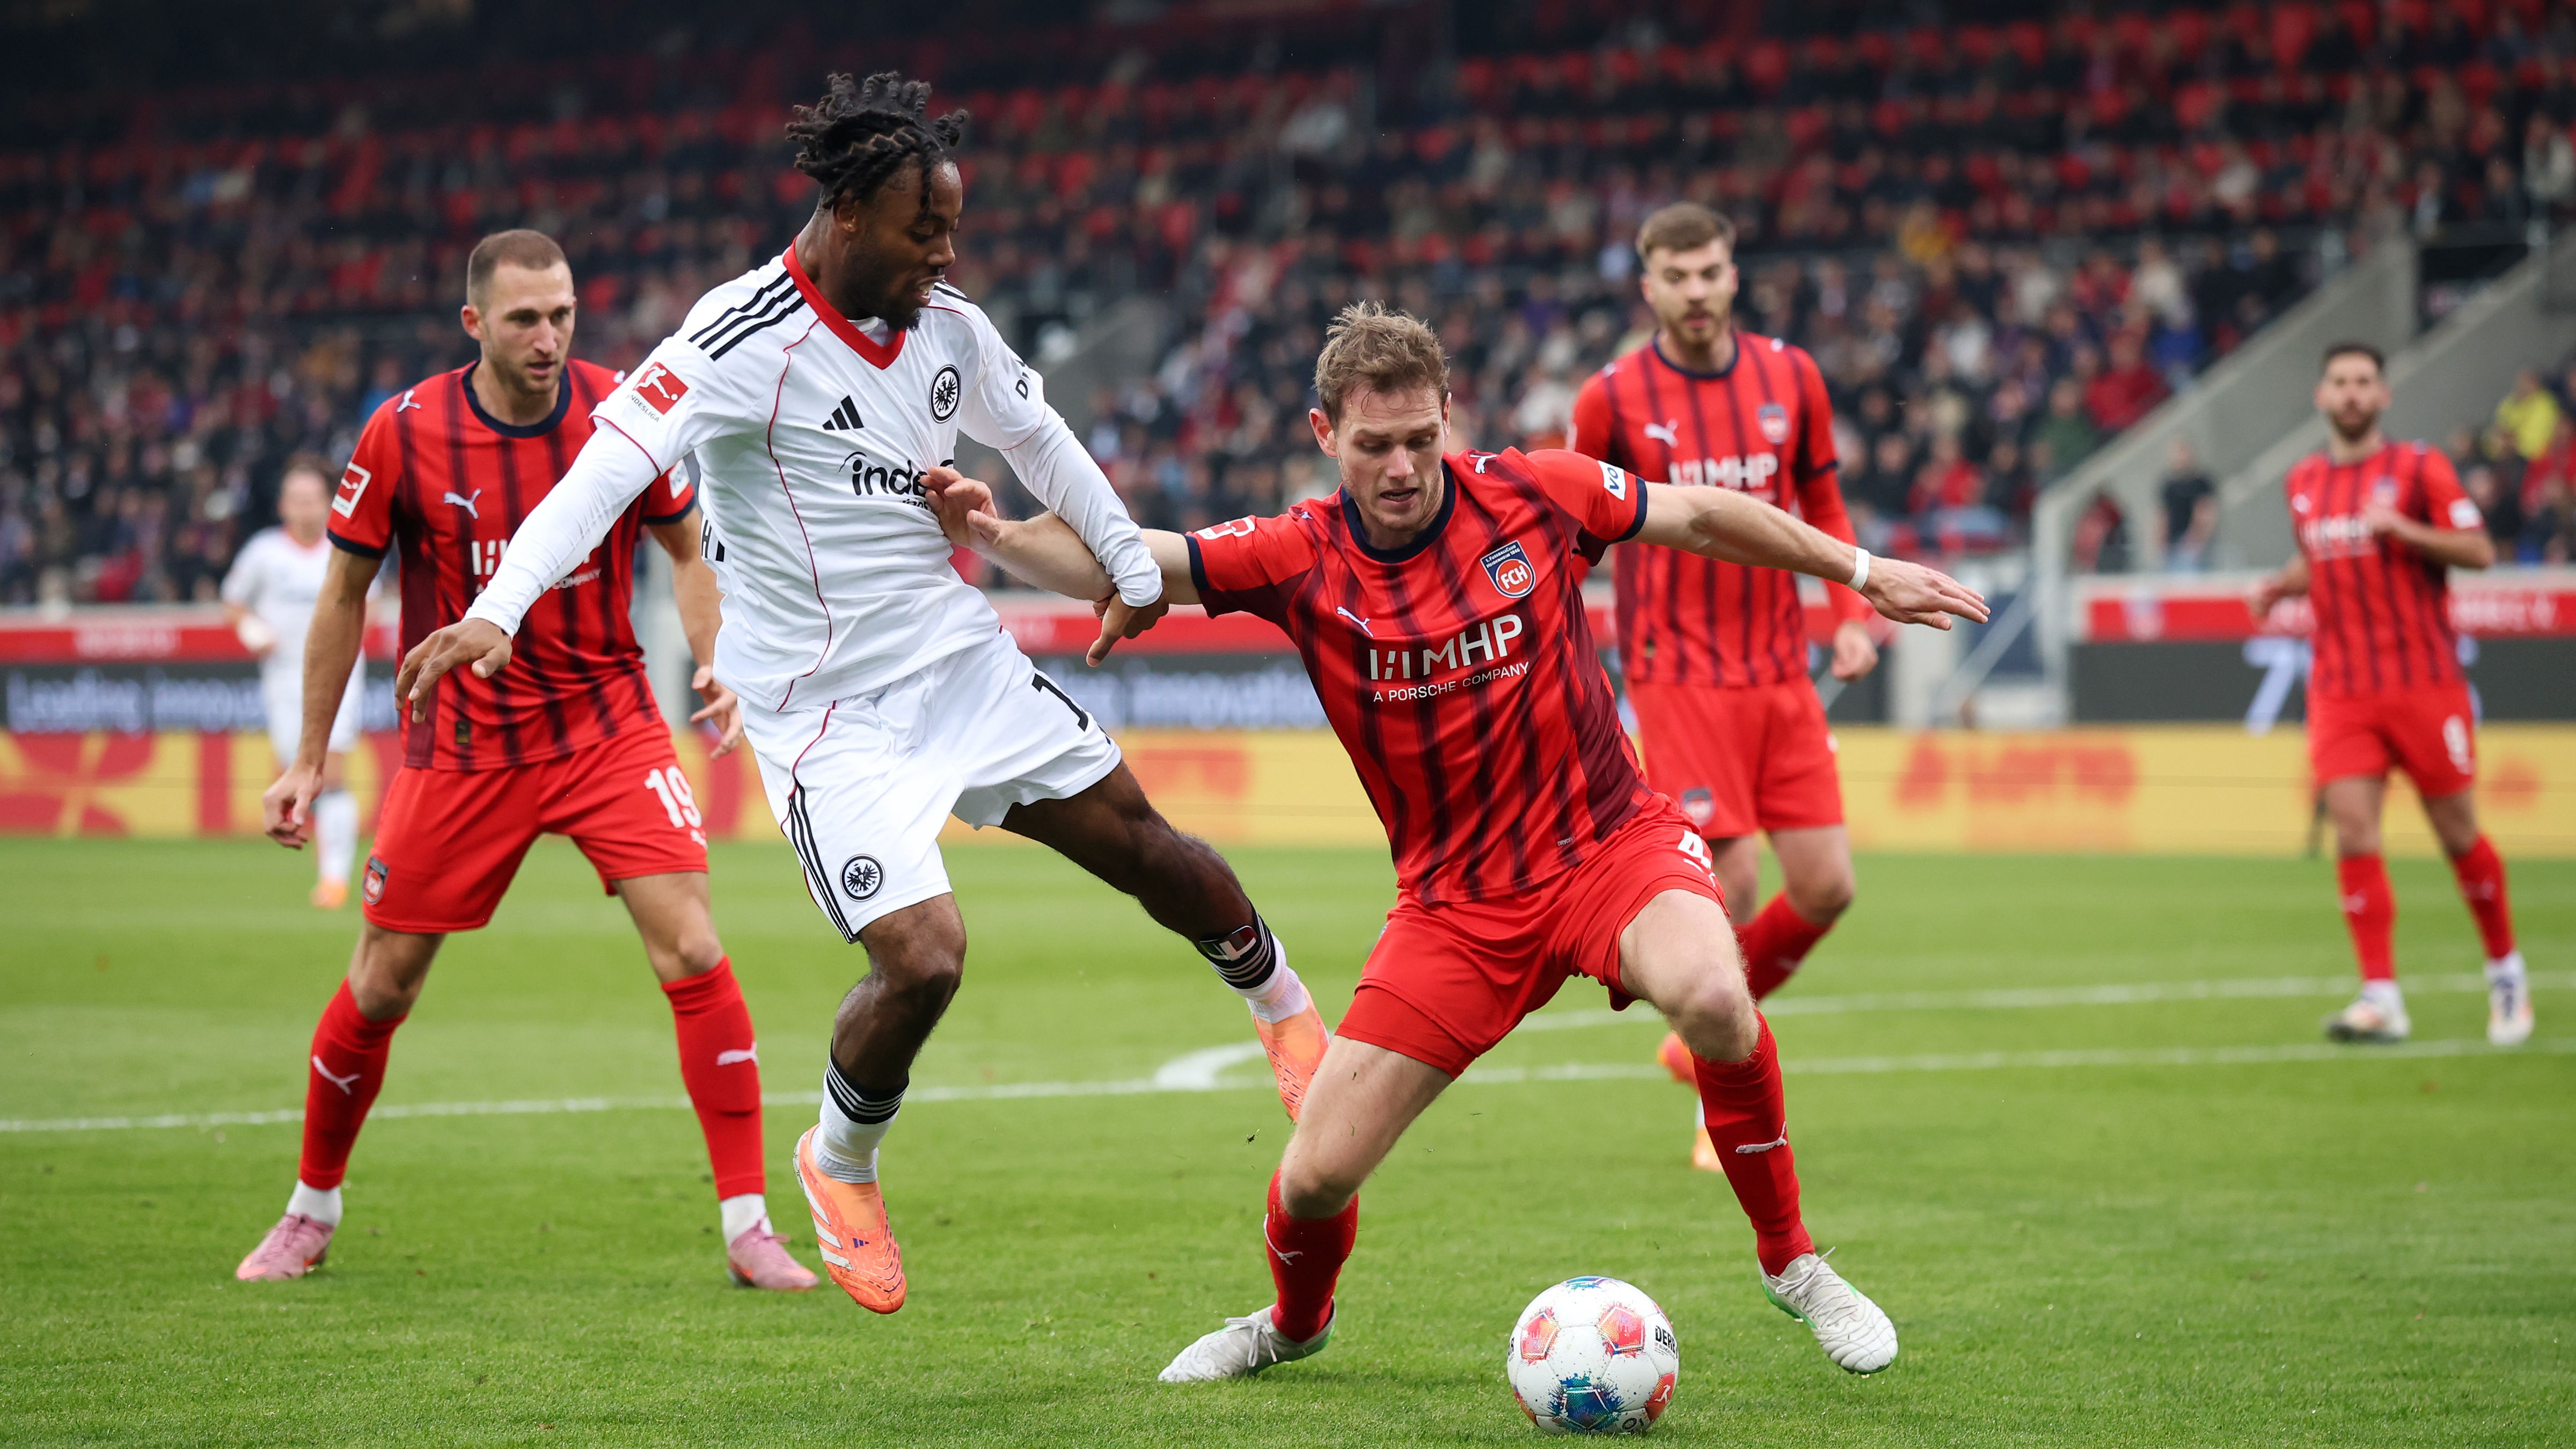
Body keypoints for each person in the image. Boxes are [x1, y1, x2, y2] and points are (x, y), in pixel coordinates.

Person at [394, 73, 1328, 1317]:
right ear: (842, 213)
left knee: (1147, 844)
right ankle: (838, 1164)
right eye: (921, 228)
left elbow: (1037, 439)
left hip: (956, 658)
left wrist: (1121, 563)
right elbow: (602, 472)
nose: (943, 253)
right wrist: (497, 610)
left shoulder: (947, 322)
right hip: (824, 713)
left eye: (950, 227)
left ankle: (1287, 1012)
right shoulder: (733, 338)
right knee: (924, 957)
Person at [940, 302, 1987, 1382]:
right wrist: (995, 536)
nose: (1401, 466)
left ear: (1450, 415)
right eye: (1373, 445)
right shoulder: (1298, 553)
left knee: (1717, 998)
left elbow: (1706, 516)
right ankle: (1293, 1326)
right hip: (1455, 908)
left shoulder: (1538, 493)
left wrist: (1863, 575)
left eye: (1419, 440)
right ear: (1322, 435)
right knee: (1309, 1182)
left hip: (1607, 849)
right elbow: (1133, 558)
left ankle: (1795, 1266)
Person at [235, 229, 818, 1295]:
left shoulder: (626, 410)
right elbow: (340, 597)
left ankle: (748, 1226)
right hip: (462, 747)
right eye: (523, 320)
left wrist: (723, 662)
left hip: (607, 726)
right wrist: (309, 761)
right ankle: (310, 1208)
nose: (549, 338)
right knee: (382, 981)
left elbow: (690, 553)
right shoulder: (403, 433)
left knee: (691, 944)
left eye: (562, 315)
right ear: (475, 325)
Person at [1567, 204, 1878, 1172]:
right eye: (1677, 275)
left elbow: (1819, 501)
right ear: (1648, 286)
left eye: (1711, 271)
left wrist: (1851, 615)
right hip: (1679, 675)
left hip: (1782, 667)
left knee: (1827, 887)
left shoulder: (1794, 378)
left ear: (1732, 273)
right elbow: (1575, 539)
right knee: (1733, 884)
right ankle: (1722, 1087)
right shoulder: (1611, 398)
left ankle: (1701, 1040)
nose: (1696, 290)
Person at [2252, 342, 2531, 1047]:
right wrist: (2283, 586)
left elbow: (2480, 552)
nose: (2350, 394)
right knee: (2353, 830)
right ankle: (2381, 996)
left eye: (2363, 383)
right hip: (2342, 687)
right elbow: (2320, 556)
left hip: (2423, 683)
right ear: (2321, 396)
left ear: (2384, 397)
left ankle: (2506, 973)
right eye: (2340, 382)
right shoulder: (2305, 480)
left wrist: (2403, 529)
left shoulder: (2417, 468)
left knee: (2457, 835)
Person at [220, 455, 372, 908]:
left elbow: (373, 604)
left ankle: (334, 880)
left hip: (340, 670)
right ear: (284, 505)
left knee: (335, 769)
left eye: (313, 499)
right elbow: (234, 602)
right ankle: (327, 868)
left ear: (328, 503)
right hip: (285, 677)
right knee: (300, 769)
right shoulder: (264, 552)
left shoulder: (345, 547)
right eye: (296, 499)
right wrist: (251, 630)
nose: (305, 508)